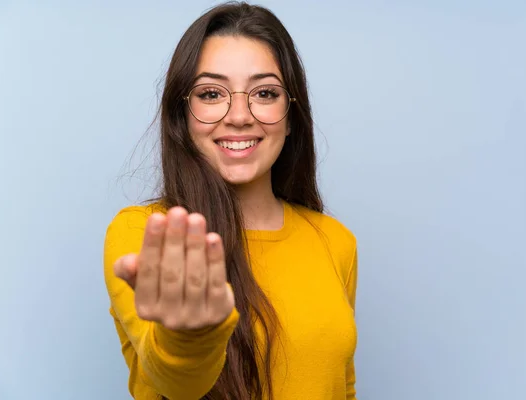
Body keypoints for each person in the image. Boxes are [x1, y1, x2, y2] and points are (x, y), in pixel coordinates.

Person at [103, 2, 358, 399]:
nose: (239, 115)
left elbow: (342, 387)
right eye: (210, 93)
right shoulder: (145, 233)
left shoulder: (336, 241)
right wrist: (190, 335)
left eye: (265, 93)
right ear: (182, 116)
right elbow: (176, 384)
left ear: (291, 116)